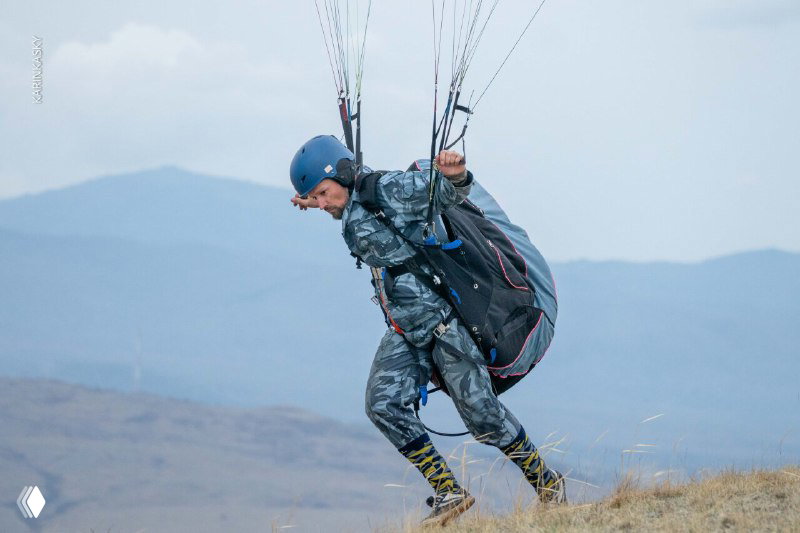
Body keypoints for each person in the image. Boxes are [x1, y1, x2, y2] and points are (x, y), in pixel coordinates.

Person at [289, 134, 566, 527]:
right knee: (382, 405)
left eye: (322, 193)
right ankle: (449, 490)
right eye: (314, 198)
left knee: (485, 419)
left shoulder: (388, 189)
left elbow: (441, 193)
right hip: (406, 329)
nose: (321, 203)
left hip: (445, 328)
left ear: (347, 175)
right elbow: (343, 207)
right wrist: (311, 197)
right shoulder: (348, 201)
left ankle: (547, 484)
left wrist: (456, 176)